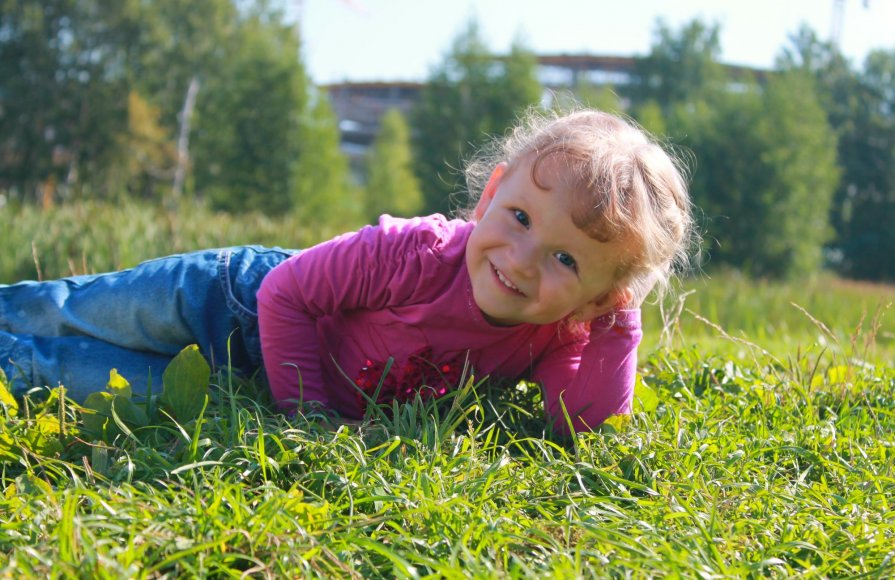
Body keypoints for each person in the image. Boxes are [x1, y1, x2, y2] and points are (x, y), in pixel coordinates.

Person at [0, 109, 693, 434]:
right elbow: (285, 296)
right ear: (490, 194)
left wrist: (615, 323)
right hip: (229, 300)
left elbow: (585, 424)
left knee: (59, 376)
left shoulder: (555, 332)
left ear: (599, 296)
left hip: (236, 383)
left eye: (565, 260)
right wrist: (311, 418)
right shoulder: (417, 255)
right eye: (517, 218)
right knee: (64, 309)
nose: (520, 260)